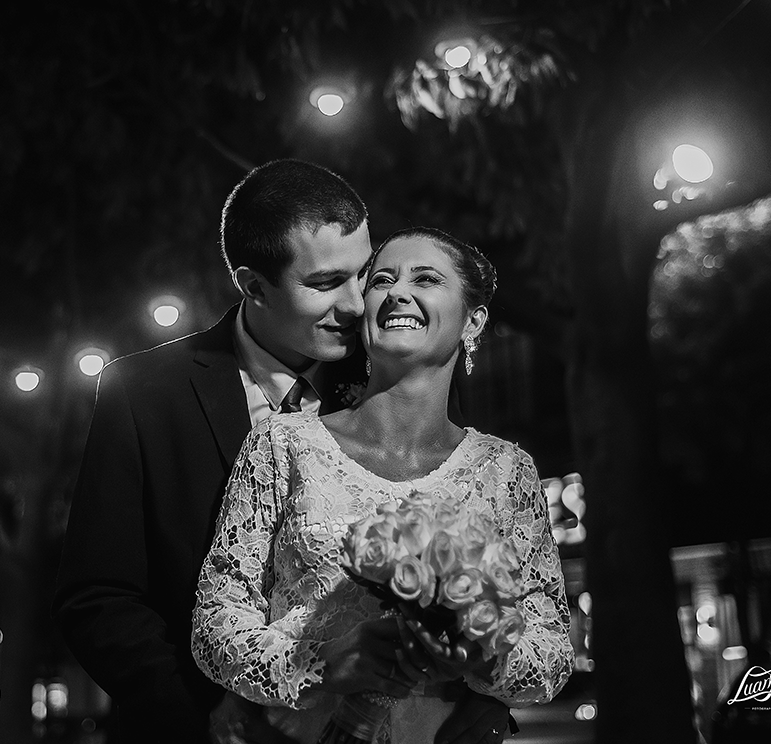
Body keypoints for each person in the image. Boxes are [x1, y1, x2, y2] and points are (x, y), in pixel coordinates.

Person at [55, 161, 510, 744]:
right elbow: (98, 597)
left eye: (362, 274)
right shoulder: (143, 393)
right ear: (254, 286)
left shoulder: (398, 369)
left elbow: (466, 545)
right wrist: (214, 714)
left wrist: (479, 693)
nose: (356, 304)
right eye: (325, 284)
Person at [191, 227, 573, 744]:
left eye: (426, 279)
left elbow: (552, 650)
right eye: (382, 280)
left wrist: (482, 659)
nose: (397, 293)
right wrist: (318, 664)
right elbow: (215, 623)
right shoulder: (283, 445)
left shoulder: (506, 471)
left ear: (474, 320)